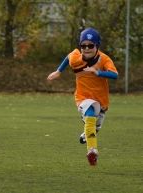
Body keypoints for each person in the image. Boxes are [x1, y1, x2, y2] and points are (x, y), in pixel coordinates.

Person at [47, 27, 118, 166]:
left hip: (101, 100)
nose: (86, 48)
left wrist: (98, 73)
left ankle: (87, 134)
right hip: (82, 97)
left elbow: (115, 75)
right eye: (83, 45)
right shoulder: (76, 57)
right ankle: (92, 150)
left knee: (95, 127)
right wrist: (58, 71)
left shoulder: (104, 59)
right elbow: (69, 57)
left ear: (97, 46)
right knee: (90, 114)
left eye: (90, 45)